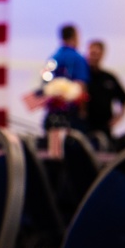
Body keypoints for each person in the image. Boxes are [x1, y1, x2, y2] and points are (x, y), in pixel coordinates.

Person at [42, 24, 90, 157]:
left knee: (53, 154)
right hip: (70, 117)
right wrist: (83, 111)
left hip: (52, 116)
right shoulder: (78, 59)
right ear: (75, 37)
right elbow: (81, 87)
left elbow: (45, 86)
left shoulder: (53, 59)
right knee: (72, 156)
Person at [85, 40, 125, 143]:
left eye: (97, 54)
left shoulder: (109, 78)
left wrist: (118, 118)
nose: (94, 57)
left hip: (104, 127)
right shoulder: (82, 77)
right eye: (92, 53)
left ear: (102, 55)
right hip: (85, 126)